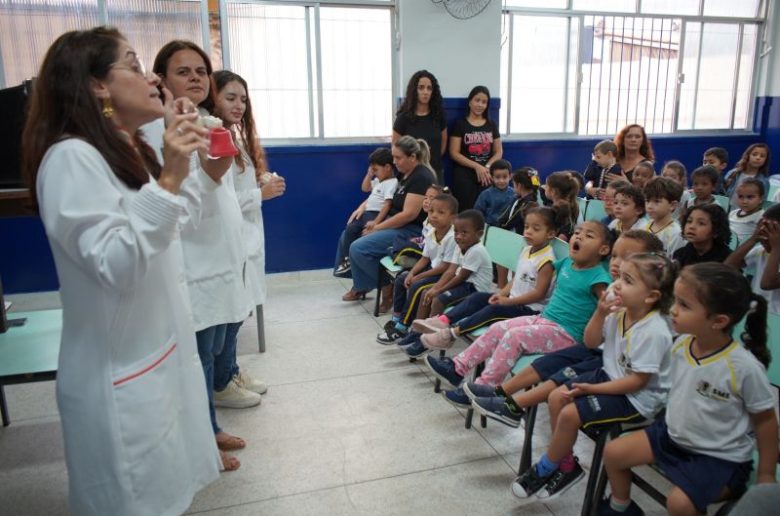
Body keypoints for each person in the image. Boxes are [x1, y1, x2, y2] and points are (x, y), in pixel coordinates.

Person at [23, 27, 220, 514]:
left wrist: (179, 158)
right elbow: (117, 264)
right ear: (97, 85)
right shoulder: (71, 158)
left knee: (167, 496)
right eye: (133, 65)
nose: (153, 78)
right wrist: (170, 174)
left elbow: (180, 224)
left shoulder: (129, 150)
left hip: (156, 357)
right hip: (119, 381)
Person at [600, 263, 777, 516]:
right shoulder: (682, 344)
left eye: (684, 305)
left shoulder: (744, 368)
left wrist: (766, 475)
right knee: (614, 452)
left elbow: (766, 421)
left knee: (679, 503)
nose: (672, 309)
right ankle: (621, 507)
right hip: (673, 437)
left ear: (719, 321)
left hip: (718, 456)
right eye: (676, 300)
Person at [152, 40, 250, 469]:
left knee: (209, 351)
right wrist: (210, 175)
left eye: (200, 71)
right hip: (191, 258)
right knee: (195, 357)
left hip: (219, 254)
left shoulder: (208, 123)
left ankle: (208, 427)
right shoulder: (161, 130)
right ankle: (198, 440)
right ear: (161, 80)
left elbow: (218, 188)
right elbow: (175, 203)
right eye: (182, 71)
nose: (194, 78)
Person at [511, 253, 675, 501]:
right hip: (609, 376)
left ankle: (546, 467)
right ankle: (567, 466)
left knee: (569, 413)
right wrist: (599, 313)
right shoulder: (619, 311)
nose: (616, 284)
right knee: (556, 398)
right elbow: (590, 342)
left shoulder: (654, 331)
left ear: (651, 296)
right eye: (619, 277)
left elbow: (638, 382)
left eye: (628, 281)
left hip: (637, 398)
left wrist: (592, 389)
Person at [468, 231, 665, 428]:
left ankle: (512, 405)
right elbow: (591, 341)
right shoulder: (615, 290)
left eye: (627, 258)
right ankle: (500, 393)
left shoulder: (646, 316)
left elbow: (636, 373)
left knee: (563, 376)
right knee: (548, 362)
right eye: (614, 256)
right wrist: (600, 313)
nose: (617, 263)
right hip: (598, 349)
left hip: (611, 364)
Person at [425, 221, 613, 407]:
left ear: (603, 249)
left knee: (515, 337)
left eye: (589, 235)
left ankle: (484, 387)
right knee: (498, 328)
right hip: (544, 319)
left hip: (567, 333)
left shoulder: (599, 278)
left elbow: (608, 310)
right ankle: (456, 369)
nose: (579, 236)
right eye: (577, 232)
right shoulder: (566, 263)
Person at [209, 70, 286, 409]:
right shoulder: (212, 139)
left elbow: (237, 184)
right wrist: (260, 194)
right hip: (231, 238)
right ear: (213, 98)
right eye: (230, 98)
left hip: (246, 236)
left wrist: (260, 180)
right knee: (232, 311)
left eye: (243, 99)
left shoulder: (232, 137)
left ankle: (230, 371)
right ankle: (222, 382)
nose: (239, 105)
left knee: (240, 309)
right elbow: (220, 199)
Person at [411, 206, 557, 351]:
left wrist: (508, 301)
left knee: (494, 309)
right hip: (513, 301)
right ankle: (443, 321)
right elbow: (516, 279)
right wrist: (501, 294)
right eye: (526, 227)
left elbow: (539, 294)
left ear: (550, 233)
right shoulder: (527, 250)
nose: (528, 231)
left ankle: (450, 335)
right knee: (478, 298)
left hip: (530, 310)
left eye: (536, 229)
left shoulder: (546, 261)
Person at [342, 136, 435, 300]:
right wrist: (362, 207)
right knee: (350, 235)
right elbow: (381, 196)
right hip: (396, 225)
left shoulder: (421, 177)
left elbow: (408, 215)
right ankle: (361, 286)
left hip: (411, 231)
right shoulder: (403, 175)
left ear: (412, 157)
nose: (394, 162)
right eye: (393, 157)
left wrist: (377, 227)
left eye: (398, 158)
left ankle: (386, 286)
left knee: (358, 248)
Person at [376, 193, 458, 344]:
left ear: (453, 218)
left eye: (440, 212)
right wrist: (412, 272)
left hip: (447, 275)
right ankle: (397, 318)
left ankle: (402, 327)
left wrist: (418, 276)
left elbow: (445, 267)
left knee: (417, 286)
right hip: (433, 269)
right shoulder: (431, 232)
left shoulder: (453, 237)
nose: (434, 215)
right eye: (431, 211)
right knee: (402, 278)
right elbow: (425, 258)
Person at [418, 209, 493, 319]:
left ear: (479, 234)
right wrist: (435, 288)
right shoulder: (461, 244)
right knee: (427, 292)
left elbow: (461, 277)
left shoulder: (476, 250)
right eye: (456, 232)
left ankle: (432, 328)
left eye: (464, 233)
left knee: (438, 300)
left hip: (475, 290)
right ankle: (417, 326)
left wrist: (439, 290)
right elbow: (451, 271)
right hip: (464, 284)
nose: (458, 236)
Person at [334, 148, 397, 276]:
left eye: (376, 170)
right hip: (366, 213)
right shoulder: (378, 181)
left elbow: (387, 205)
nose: (374, 173)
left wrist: (376, 222)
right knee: (350, 229)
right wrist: (369, 175)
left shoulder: (391, 183)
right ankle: (347, 259)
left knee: (362, 238)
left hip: (374, 215)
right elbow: (365, 188)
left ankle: (356, 266)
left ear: (387, 168)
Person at [449, 85, 503, 209]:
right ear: (470, 102)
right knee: (466, 210)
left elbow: (498, 151)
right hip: (464, 175)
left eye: (484, 102)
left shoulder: (491, 124)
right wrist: (477, 166)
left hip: (486, 174)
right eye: (477, 100)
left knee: (485, 210)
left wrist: (487, 167)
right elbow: (454, 152)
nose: (480, 105)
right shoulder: (460, 124)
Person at [725, 203, 780, 315]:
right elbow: (728, 266)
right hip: (755, 312)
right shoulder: (761, 251)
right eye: (762, 230)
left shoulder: (774, 249)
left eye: (771, 232)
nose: (764, 237)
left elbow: (767, 284)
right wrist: (753, 239)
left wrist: (776, 247)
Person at [393, 70, 447, 183]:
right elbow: (396, 148)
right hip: (410, 173)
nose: (425, 92)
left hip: (435, 171)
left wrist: (428, 161)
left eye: (429, 88)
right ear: (414, 90)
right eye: (421, 88)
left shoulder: (439, 116)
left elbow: (442, 145)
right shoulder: (403, 118)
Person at [673, 203, 732, 268]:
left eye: (701, 223)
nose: (691, 227)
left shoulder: (727, 259)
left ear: (716, 231)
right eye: (689, 221)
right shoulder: (680, 254)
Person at [643, 177, 684, 255]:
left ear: (672, 205)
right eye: (647, 201)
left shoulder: (676, 234)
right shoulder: (643, 227)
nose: (649, 206)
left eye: (656, 201)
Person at [724, 143, 771, 207]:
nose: (758, 158)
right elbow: (722, 192)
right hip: (727, 209)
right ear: (747, 156)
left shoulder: (764, 181)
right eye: (754, 154)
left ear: (765, 160)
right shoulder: (733, 173)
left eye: (762, 156)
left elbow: (762, 203)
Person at [496, 167, 540, 234]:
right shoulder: (517, 198)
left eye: (513, 183)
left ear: (519, 185)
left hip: (518, 237)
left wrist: (497, 228)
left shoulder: (527, 204)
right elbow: (504, 216)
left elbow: (509, 224)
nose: (513, 186)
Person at [473, 159, 515, 225]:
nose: (501, 181)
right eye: (497, 177)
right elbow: (477, 212)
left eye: (505, 177)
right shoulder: (486, 194)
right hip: (490, 227)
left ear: (510, 176)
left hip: (509, 227)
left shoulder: (515, 193)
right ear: (492, 177)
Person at [544, 171, 581, 241]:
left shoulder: (560, 209)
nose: (544, 187)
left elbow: (563, 236)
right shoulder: (572, 204)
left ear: (553, 191)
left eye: (546, 185)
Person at [728, 177, 765, 244]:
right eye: (740, 196)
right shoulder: (733, 213)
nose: (744, 201)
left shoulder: (761, 217)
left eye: (750, 197)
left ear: (761, 199)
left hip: (745, 248)